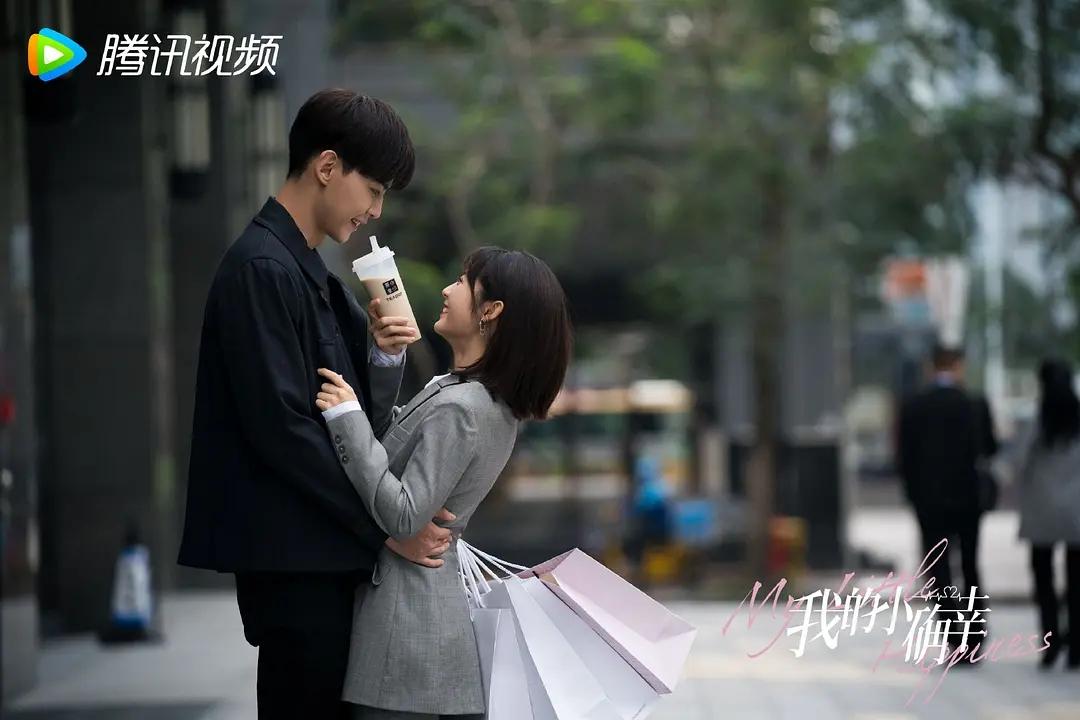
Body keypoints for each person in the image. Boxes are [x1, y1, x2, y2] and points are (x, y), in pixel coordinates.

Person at [177, 89, 454, 719]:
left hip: (323, 554)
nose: (375, 211)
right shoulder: (261, 270)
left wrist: (384, 353)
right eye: (373, 190)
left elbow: (359, 422)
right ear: (327, 166)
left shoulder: (313, 275)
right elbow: (282, 429)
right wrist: (388, 529)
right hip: (295, 562)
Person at [316, 246, 573, 719]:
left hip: (405, 630)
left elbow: (404, 514)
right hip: (417, 620)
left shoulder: (464, 407)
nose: (447, 290)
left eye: (461, 282)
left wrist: (346, 419)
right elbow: (391, 445)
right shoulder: (468, 394)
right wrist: (386, 360)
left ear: (490, 311)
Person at [897, 343, 998, 644]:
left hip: (929, 500)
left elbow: (904, 457)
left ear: (931, 367)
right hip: (968, 497)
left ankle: (953, 634)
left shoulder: (914, 405)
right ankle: (975, 633)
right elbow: (989, 448)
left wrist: (913, 494)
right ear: (959, 366)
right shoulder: (974, 403)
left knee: (938, 568)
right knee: (969, 564)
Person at [1016, 359, 1080, 669]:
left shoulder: (1037, 420)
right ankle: (1077, 644)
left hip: (1041, 510)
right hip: (1076, 510)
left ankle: (1050, 641)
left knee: (1043, 577)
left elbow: (1018, 459)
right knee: (1077, 579)